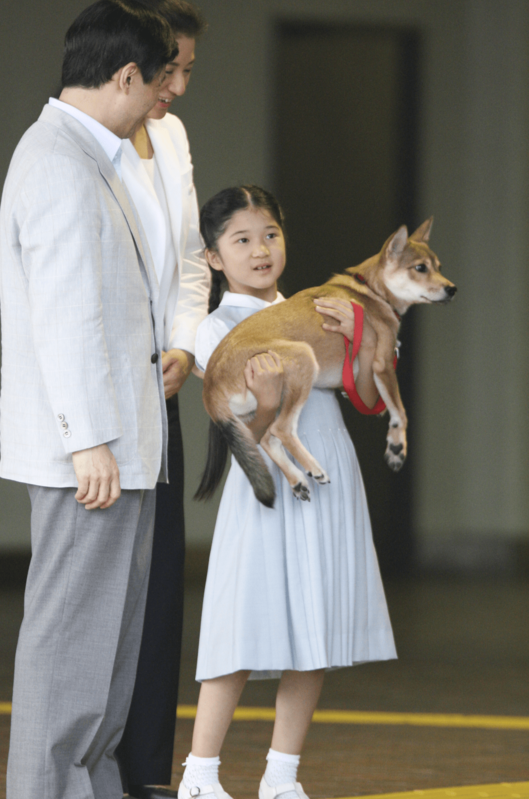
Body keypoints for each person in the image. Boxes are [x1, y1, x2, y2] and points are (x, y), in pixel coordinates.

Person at [0, 0, 177, 799]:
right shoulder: (58, 162)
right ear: (126, 75)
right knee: (70, 643)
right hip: (91, 454)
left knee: (107, 654)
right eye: (160, 83)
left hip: (117, 446)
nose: (163, 101)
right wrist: (87, 438)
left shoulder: (89, 158)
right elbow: (65, 314)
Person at [179, 186, 397, 799]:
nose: (260, 250)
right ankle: (199, 776)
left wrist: (363, 339)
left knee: (314, 628)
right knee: (241, 626)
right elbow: (241, 433)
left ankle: (281, 776)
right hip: (267, 483)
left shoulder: (313, 310)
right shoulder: (215, 330)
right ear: (214, 257)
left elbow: (369, 396)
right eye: (242, 240)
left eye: (270, 235)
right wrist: (269, 401)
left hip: (327, 470)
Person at [115, 0, 210, 799]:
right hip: (110, 387)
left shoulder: (172, 136)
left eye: (186, 71)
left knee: (161, 581)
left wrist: (185, 343)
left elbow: (190, 259)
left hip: (165, 381)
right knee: (106, 585)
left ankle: (146, 770)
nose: (177, 86)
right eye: (169, 67)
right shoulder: (89, 139)